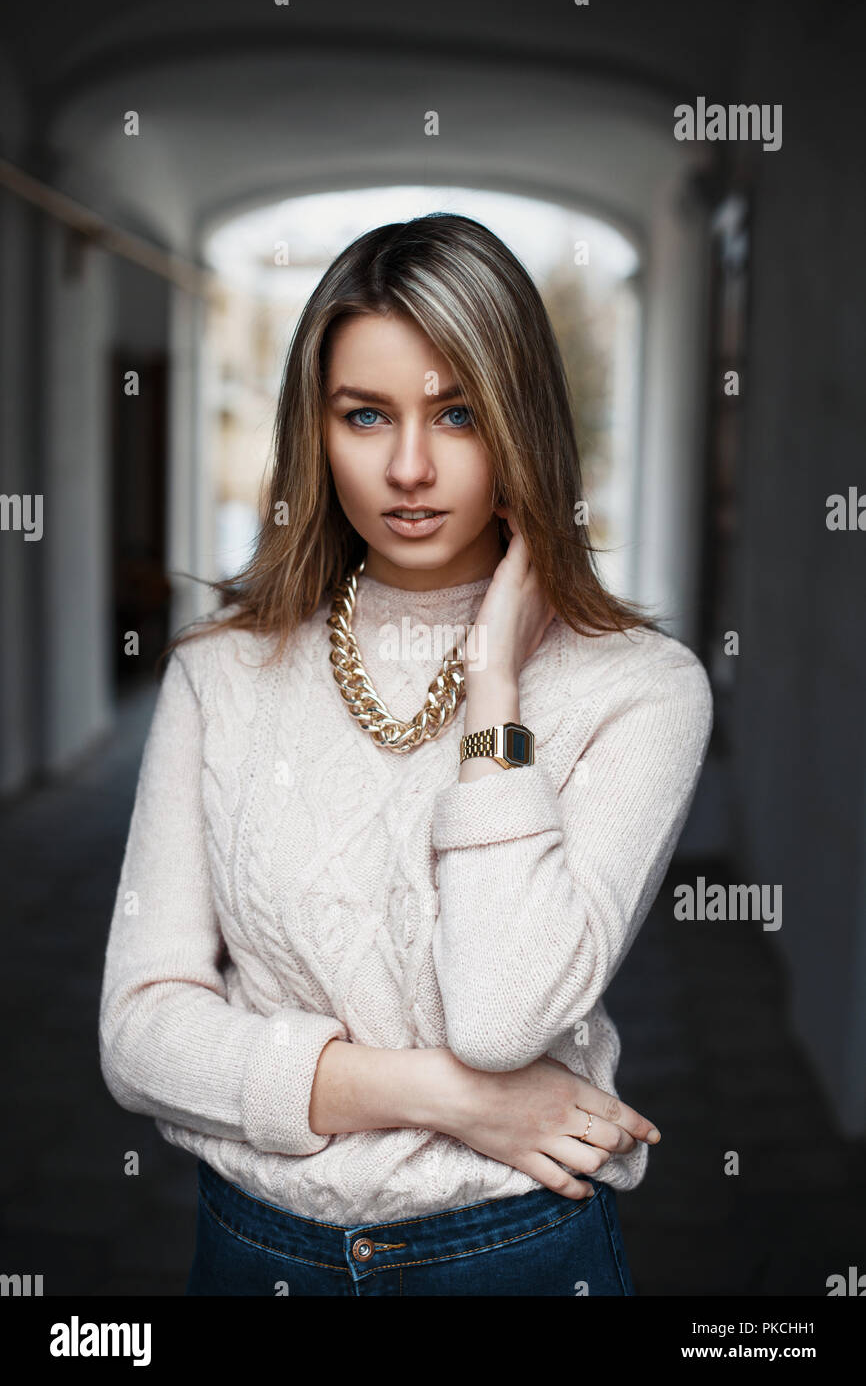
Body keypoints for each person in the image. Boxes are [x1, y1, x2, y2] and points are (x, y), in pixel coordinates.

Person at [98, 212, 713, 1297]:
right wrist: (452, 1099)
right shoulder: (219, 672)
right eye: (367, 415)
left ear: (519, 421)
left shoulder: (641, 690)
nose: (411, 467)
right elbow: (141, 1034)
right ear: (315, 429)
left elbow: (503, 1014)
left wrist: (493, 693)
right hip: (254, 1257)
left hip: (510, 1257)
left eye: (458, 412)